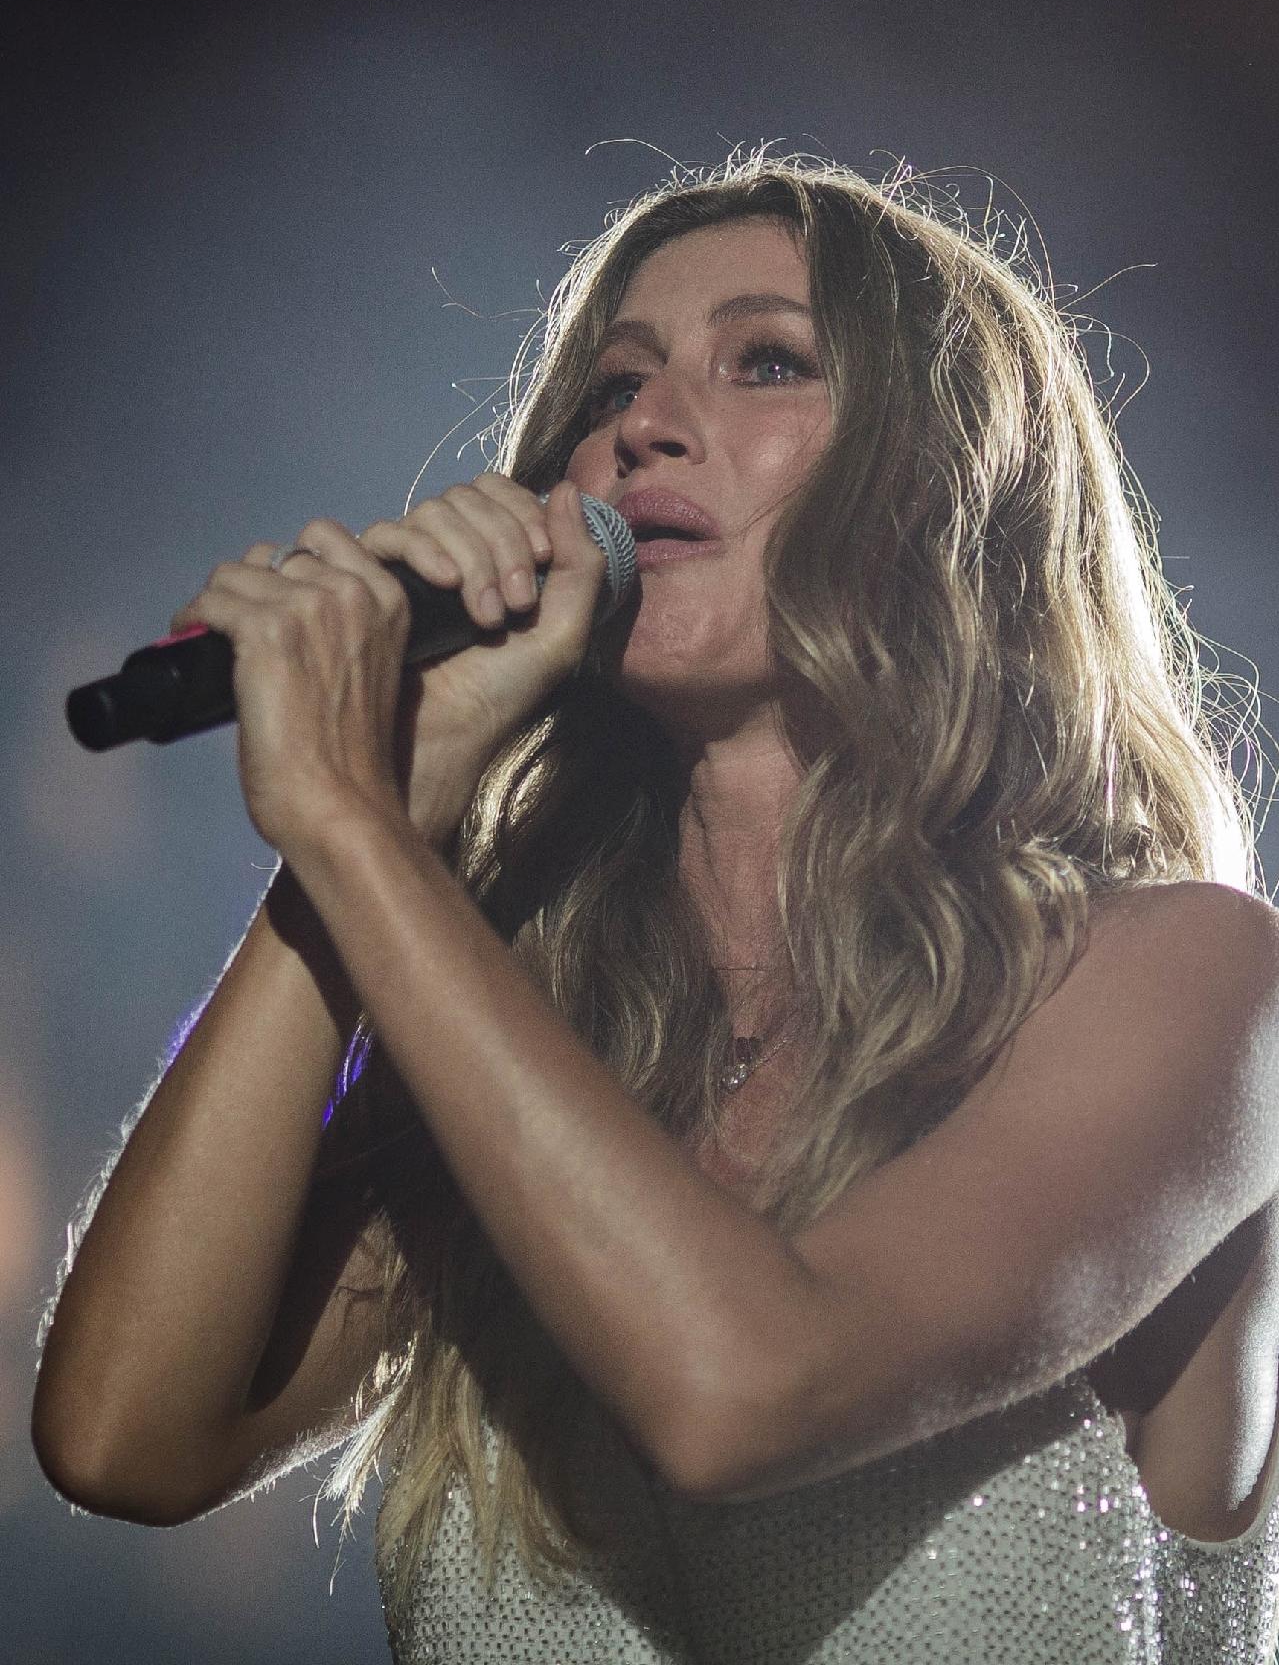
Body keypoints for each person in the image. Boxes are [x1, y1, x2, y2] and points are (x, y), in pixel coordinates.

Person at [32, 153, 1279, 1662]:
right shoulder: (526, 1023)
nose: (644, 425)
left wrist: (361, 838)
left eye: (766, 362)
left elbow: (743, 1390)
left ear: (951, 488)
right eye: (614, 385)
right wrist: (390, 806)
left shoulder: (1189, 980)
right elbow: (122, 1438)